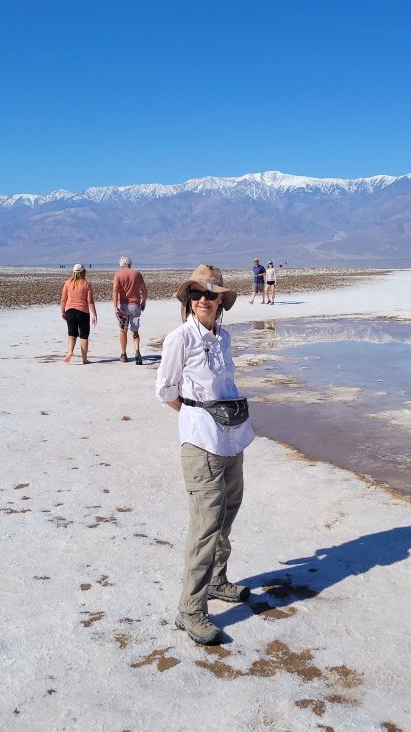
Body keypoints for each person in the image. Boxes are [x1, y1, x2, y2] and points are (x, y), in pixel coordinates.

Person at [155, 264, 254, 646]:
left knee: (227, 515)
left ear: (221, 302)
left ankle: (217, 581)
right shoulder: (180, 339)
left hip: (232, 440)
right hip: (202, 443)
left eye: (210, 294)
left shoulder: (223, 337)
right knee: (205, 525)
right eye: (196, 294)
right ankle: (190, 610)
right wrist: (198, 414)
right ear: (187, 300)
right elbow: (165, 390)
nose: (203, 300)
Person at [112, 255, 148, 364]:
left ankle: (123, 354)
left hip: (122, 306)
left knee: (123, 330)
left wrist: (115, 306)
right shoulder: (137, 274)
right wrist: (143, 302)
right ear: (130, 263)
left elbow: (115, 290)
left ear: (121, 264)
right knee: (135, 330)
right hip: (135, 306)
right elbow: (144, 291)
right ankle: (137, 351)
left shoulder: (118, 274)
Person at [60, 263, 98, 364]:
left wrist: (62, 311)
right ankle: (84, 359)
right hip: (83, 312)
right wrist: (94, 314)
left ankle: (69, 352)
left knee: (71, 333)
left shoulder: (68, 283)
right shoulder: (86, 284)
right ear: (83, 272)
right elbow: (90, 302)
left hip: (70, 311)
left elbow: (63, 299)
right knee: (84, 336)